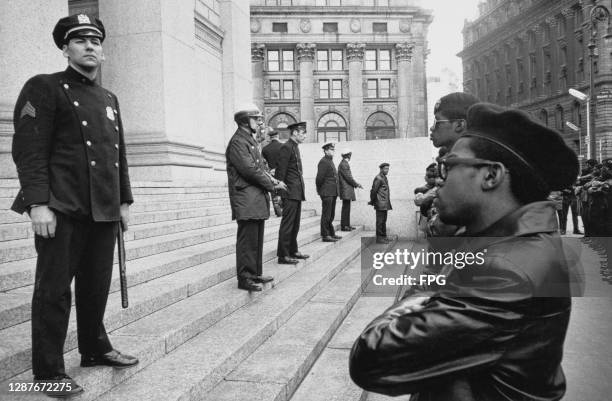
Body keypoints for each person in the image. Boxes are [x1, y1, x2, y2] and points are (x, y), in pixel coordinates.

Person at [350, 103, 579, 401]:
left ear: (491, 176)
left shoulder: (507, 269)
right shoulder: (506, 246)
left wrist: (435, 272)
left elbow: (373, 357)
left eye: (450, 166)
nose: (439, 180)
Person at [10, 14, 138, 397]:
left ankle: (95, 348)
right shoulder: (44, 88)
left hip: (102, 207)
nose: (89, 46)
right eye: (79, 40)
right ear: (65, 48)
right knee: (54, 292)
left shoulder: (109, 98)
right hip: (61, 207)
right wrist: (37, 203)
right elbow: (29, 151)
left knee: (96, 285)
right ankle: (48, 370)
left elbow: (119, 155)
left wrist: (124, 200)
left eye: (95, 41)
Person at [226, 105, 287, 291]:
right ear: (245, 121)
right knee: (247, 241)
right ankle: (245, 278)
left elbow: (260, 168)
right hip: (246, 198)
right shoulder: (238, 142)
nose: (260, 122)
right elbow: (249, 170)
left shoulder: (249, 140)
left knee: (256, 239)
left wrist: (273, 179)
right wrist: (272, 185)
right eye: (256, 119)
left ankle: (255, 273)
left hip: (254, 198)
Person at [275, 122, 310, 264]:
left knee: (295, 224)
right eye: (303, 133)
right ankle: (283, 255)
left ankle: (293, 250)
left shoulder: (294, 147)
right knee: (288, 224)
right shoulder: (286, 147)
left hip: (296, 191)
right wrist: (278, 192)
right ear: (295, 133)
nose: (305, 136)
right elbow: (281, 171)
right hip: (289, 192)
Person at [316, 142, 341, 242]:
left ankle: (331, 233)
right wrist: (320, 190)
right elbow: (319, 178)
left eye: (333, 149)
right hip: (327, 192)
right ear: (325, 151)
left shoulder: (330, 161)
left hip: (332, 192)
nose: (333, 151)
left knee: (331, 214)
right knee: (326, 214)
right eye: (331, 149)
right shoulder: (323, 161)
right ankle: (325, 235)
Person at [338, 149, 362, 231]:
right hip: (346, 190)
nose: (350, 156)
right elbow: (348, 177)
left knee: (347, 208)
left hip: (346, 189)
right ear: (348, 156)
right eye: (349, 155)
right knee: (346, 208)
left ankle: (347, 225)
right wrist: (357, 184)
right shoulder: (344, 164)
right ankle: (344, 226)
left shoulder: (344, 164)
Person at [369, 163, 392, 244]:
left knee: (383, 221)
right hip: (380, 203)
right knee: (380, 221)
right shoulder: (378, 178)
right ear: (381, 169)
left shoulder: (384, 177)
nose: (387, 170)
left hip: (384, 203)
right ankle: (379, 238)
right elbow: (373, 191)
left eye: (388, 169)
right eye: (385, 169)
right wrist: (372, 201)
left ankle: (383, 236)